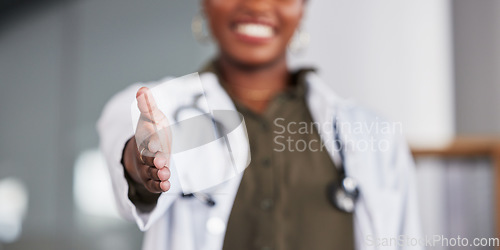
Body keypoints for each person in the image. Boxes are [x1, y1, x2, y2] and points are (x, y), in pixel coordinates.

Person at [97, 0, 423, 249]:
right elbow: (129, 157)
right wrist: (144, 165)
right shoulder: (156, 106)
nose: (255, 5)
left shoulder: (375, 134)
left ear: (303, 6)